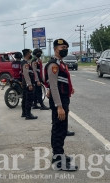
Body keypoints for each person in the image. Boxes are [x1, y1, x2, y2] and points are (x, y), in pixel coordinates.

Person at [45, 38, 77, 171]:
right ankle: (58, 161)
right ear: (55, 49)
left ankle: (59, 154)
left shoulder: (61, 64)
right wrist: (59, 106)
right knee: (58, 129)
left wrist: (70, 88)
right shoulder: (54, 65)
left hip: (64, 99)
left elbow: (62, 81)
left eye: (66, 47)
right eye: (62, 47)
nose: (64, 49)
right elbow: (53, 85)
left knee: (62, 129)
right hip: (59, 101)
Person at [21, 49, 37, 120]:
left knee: (25, 99)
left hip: (25, 84)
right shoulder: (25, 64)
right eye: (30, 54)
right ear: (27, 54)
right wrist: (29, 84)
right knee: (29, 99)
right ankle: (28, 114)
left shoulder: (25, 62)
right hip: (27, 84)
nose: (31, 55)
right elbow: (26, 74)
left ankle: (24, 113)